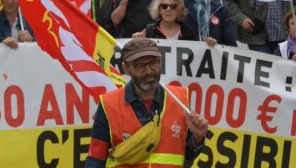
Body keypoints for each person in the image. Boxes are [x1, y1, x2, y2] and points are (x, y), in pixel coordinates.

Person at [85, 38, 208, 167]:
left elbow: (187, 156)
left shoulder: (180, 99)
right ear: (126, 68)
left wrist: (197, 138)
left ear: (160, 63)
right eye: (140, 65)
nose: (149, 71)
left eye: (153, 63)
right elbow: (95, 159)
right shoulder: (108, 104)